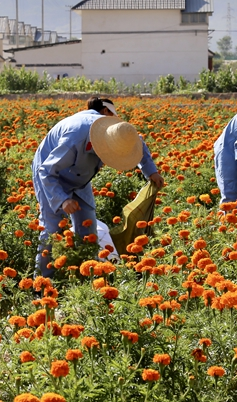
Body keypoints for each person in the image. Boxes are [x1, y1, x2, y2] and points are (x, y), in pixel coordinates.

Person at [32, 104, 164, 278]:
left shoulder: (116, 132)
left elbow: (137, 141)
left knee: (88, 227)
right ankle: (42, 283)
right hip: (51, 174)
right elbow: (46, 171)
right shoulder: (75, 138)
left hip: (81, 176)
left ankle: (87, 275)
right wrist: (63, 199)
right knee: (52, 229)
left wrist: (151, 171)